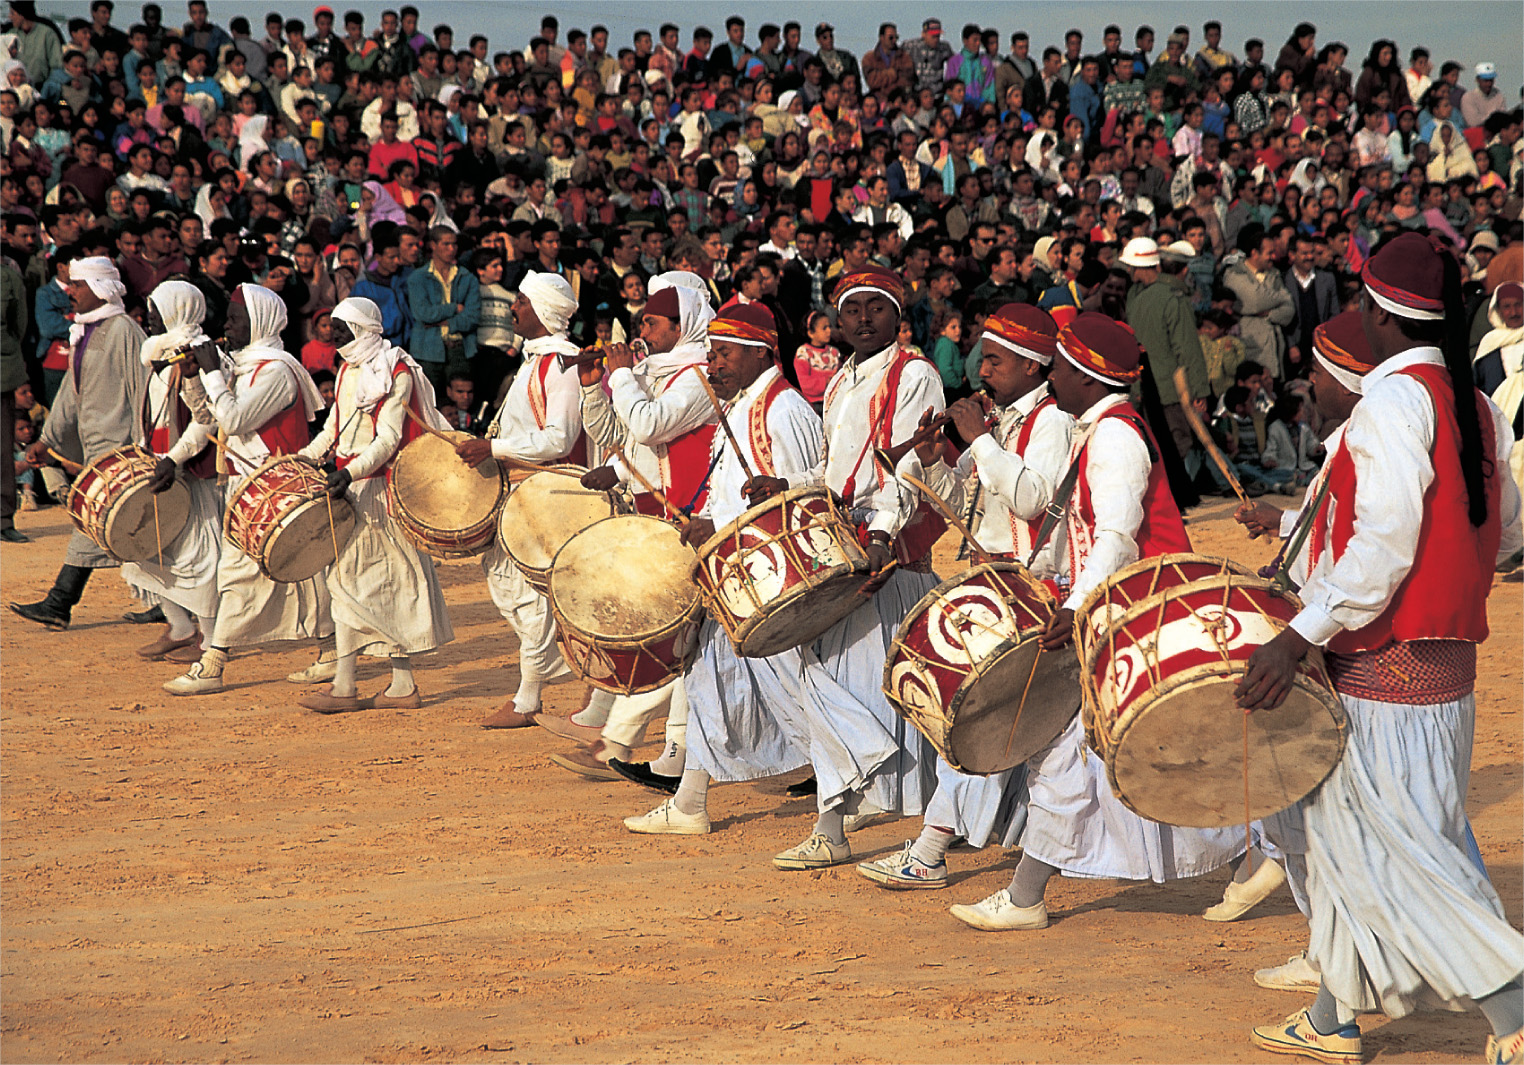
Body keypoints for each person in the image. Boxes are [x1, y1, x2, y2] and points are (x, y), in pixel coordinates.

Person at [1239, 233, 1524, 1065]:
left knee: (1404, 856)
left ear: (1372, 313)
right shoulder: (1475, 405)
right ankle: (1334, 1017)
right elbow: (1502, 532)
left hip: (1381, 664)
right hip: (1442, 667)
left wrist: (1297, 636)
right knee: (1363, 843)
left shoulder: (1392, 406)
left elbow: (1385, 546)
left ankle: (1514, 1008)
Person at [946, 313, 1249, 932]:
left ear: (1084, 375)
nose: (1050, 373)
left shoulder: (1113, 437)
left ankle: (1028, 898)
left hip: (1136, 609)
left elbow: (1116, 538)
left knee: (1082, 751)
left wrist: (1072, 604)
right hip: (1119, 608)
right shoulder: (1099, 428)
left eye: (1059, 365)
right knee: (1105, 751)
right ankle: (1259, 848)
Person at [860, 303, 1074, 889]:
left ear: (1034, 369)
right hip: (999, 587)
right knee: (1005, 726)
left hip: (1036, 592)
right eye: (984, 356)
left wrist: (978, 441)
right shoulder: (1003, 422)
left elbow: (1032, 500)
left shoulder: (1051, 423)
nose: (984, 369)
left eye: (998, 361)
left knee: (986, 717)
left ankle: (932, 851)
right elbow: (976, 504)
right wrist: (933, 465)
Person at [742, 265, 942, 869]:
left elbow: (908, 467)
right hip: (841, 544)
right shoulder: (840, 380)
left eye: (874, 309)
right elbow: (837, 469)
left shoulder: (916, 375)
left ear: (897, 316)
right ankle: (848, 819)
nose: (861, 320)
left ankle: (850, 828)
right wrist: (788, 484)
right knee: (830, 681)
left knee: (861, 687)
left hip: (887, 554)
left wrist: (882, 530)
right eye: (851, 309)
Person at [623, 303, 816, 834]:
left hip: (774, 585)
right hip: (735, 579)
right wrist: (710, 519)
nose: (713, 364)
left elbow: (805, 501)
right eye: (710, 353)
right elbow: (743, 491)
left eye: (724, 353)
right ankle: (689, 804)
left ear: (760, 352)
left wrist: (722, 524)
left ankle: (855, 790)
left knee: (807, 698)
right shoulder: (740, 407)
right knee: (708, 679)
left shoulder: (784, 410)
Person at [557, 272, 718, 782]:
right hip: (659, 513)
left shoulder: (698, 375)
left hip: (691, 518)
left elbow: (651, 425)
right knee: (684, 638)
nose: (641, 328)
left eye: (652, 321)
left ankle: (616, 742)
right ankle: (668, 750)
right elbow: (632, 439)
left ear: (681, 326)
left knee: (679, 635)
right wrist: (595, 390)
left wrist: (624, 375)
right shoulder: (661, 370)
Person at [164, 283, 333, 695]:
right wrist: (193, 379)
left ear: (259, 323)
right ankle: (331, 651)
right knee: (305, 575)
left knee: (239, 573)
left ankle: (214, 662)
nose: (226, 325)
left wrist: (210, 373)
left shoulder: (277, 371)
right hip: (247, 486)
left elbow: (235, 419)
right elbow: (211, 416)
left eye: (236, 318)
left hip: (276, 488)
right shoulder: (242, 366)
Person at [293, 297, 455, 713]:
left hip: (377, 490)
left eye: (342, 330)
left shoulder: (395, 371)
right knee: (356, 583)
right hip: (349, 486)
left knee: (368, 583)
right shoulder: (348, 366)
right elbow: (335, 426)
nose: (335, 336)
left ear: (363, 330)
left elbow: (387, 439)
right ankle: (386, 685)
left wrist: (350, 473)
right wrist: (305, 459)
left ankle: (358, 686)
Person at [453, 273, 587, 730]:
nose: (513, 309)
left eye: (523, 302)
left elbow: (561, 438)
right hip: (523, 490)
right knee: (516, 590)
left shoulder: (563, 365)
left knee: (533, 594)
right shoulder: (534, 361)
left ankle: (528, 698)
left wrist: (492, 449)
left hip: (549, 496)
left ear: (545, 312)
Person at [11, 257, 148, 629]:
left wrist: (143, 447)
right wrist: (48, 439)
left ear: (101, 288)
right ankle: (169, 606)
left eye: (79, 285)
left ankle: (59, 602)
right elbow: (72, 396)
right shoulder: (86, 331)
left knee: (94, 521)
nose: (70, 292)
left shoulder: (123, 330)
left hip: (120, 449)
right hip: (96, 447)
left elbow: (143, 393)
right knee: (131, 528)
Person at [122, 281, 222, 664]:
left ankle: (211, 639)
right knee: (144, 546)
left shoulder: (195, 355)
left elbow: (206, 420)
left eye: (155, 308)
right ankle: (179, 626)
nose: (148, 316)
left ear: (177, 310)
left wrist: (175, 458)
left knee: (199, 554)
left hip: (189, 467)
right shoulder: (158, 354)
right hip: (160, 457)